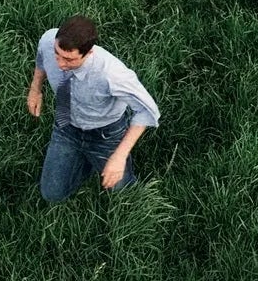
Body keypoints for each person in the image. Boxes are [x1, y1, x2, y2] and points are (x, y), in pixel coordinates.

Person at [27, 16, 161, 202]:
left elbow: (147, 110)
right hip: (65, 124)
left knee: (124, 195)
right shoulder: (49, 40)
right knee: (52, 195)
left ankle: (99, 159)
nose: (60, 64)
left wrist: (119, 157)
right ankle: (82, 160)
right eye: (57, 54)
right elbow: (42, 58)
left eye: (68, 59)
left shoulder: (112, 74)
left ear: (88, 53)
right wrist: (35, 90)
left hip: (105, 134)